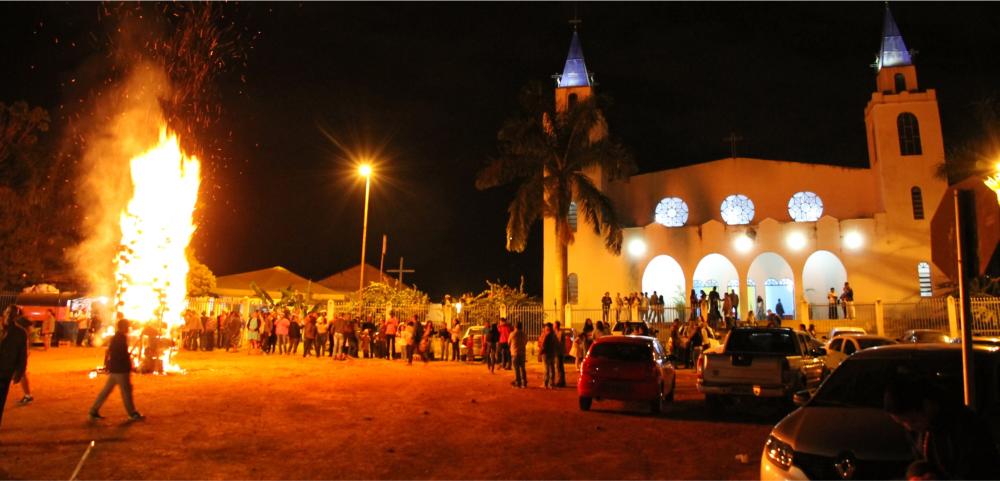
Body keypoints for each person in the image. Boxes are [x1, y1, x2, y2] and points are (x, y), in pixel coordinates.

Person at [884, 377, 1000, 480]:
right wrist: (916, 475)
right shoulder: (919, 429)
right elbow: (919, 460)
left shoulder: (965, 427)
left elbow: (977, 472)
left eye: (913, 420)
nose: (909, 427)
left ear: (927, 405)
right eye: (902, 423)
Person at [89, 319, 143, 421]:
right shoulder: (120, 338)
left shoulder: (116, 337)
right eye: (127, 326)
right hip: (121, 370)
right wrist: (127, 359)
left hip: (115, 369)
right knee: (126, 392)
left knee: (106, 391)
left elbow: (112, 352)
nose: (128, 328)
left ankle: (93, 411)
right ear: (123, 327)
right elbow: (120, 354)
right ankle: (132, 413)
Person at [0, 307, 29, 429]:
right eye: (7, 313)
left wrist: (19, 371)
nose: (8, 315)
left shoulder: (20, 333)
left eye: (11, 314)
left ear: (16, 317)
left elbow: (22, 355)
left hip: (4, 373)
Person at [539, 323, 559, 389]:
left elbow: (543, 345)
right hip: (552, 353)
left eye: (545, 328)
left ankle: (545, 383)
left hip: (546, 354)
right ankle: (551, 383)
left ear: (547, 328)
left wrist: (540, 353)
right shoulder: (554, 335)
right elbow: (556, 344)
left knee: (546, 369)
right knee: (552, 368)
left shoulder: (546, 335)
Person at [509, 321, 528, 388]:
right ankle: (524, 382)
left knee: (516, 369)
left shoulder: (512, 334)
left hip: (515, 353)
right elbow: (526, 341)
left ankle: (518, 382)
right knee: (522, 368)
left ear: (515, 327)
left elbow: (509, 342)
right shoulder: (524, 334)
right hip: (522, 352)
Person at [553, 321, 568, 387]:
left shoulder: (560, 333)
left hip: (559, 352)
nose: (553, 326)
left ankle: (561, 382)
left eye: (554, 325)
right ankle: (562, 381)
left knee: (559, 367)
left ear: (556, 326)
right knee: (559, 367)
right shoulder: (557, 333)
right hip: (558, 352)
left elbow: (558, 342)